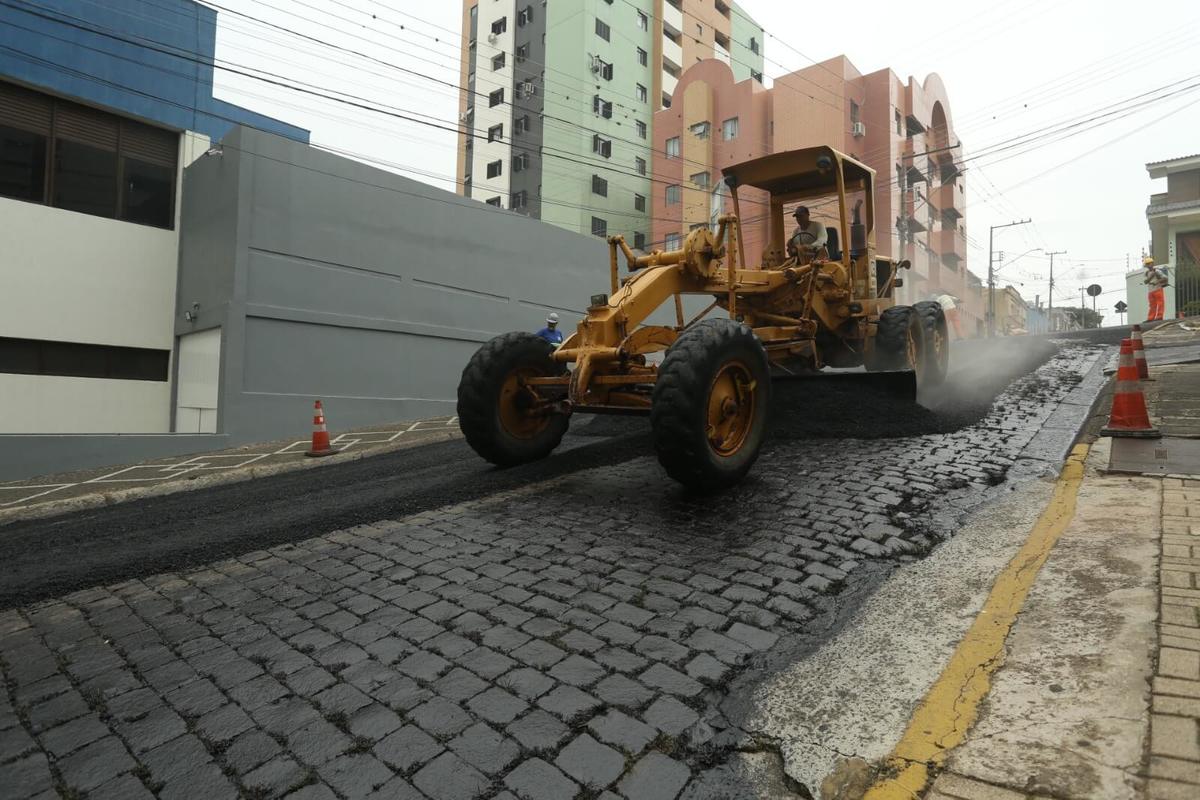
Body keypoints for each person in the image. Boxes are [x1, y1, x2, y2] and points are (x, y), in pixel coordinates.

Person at [1142, 256, 1169, 322]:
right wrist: (1151, 276)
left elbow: (1165, 278)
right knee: (1152, 305)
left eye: (1150, 263)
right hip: (1151, 291)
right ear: (1146, 265)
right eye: (1147, 264)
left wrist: (1157, 282)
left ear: (1152, 263)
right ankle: (1150, 318)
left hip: (1158, 289)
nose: (1149, 265)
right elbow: (1145, 281)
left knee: (1160, 303)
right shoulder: (1146, 273)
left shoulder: (1157, 271)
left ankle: (1159, 317)